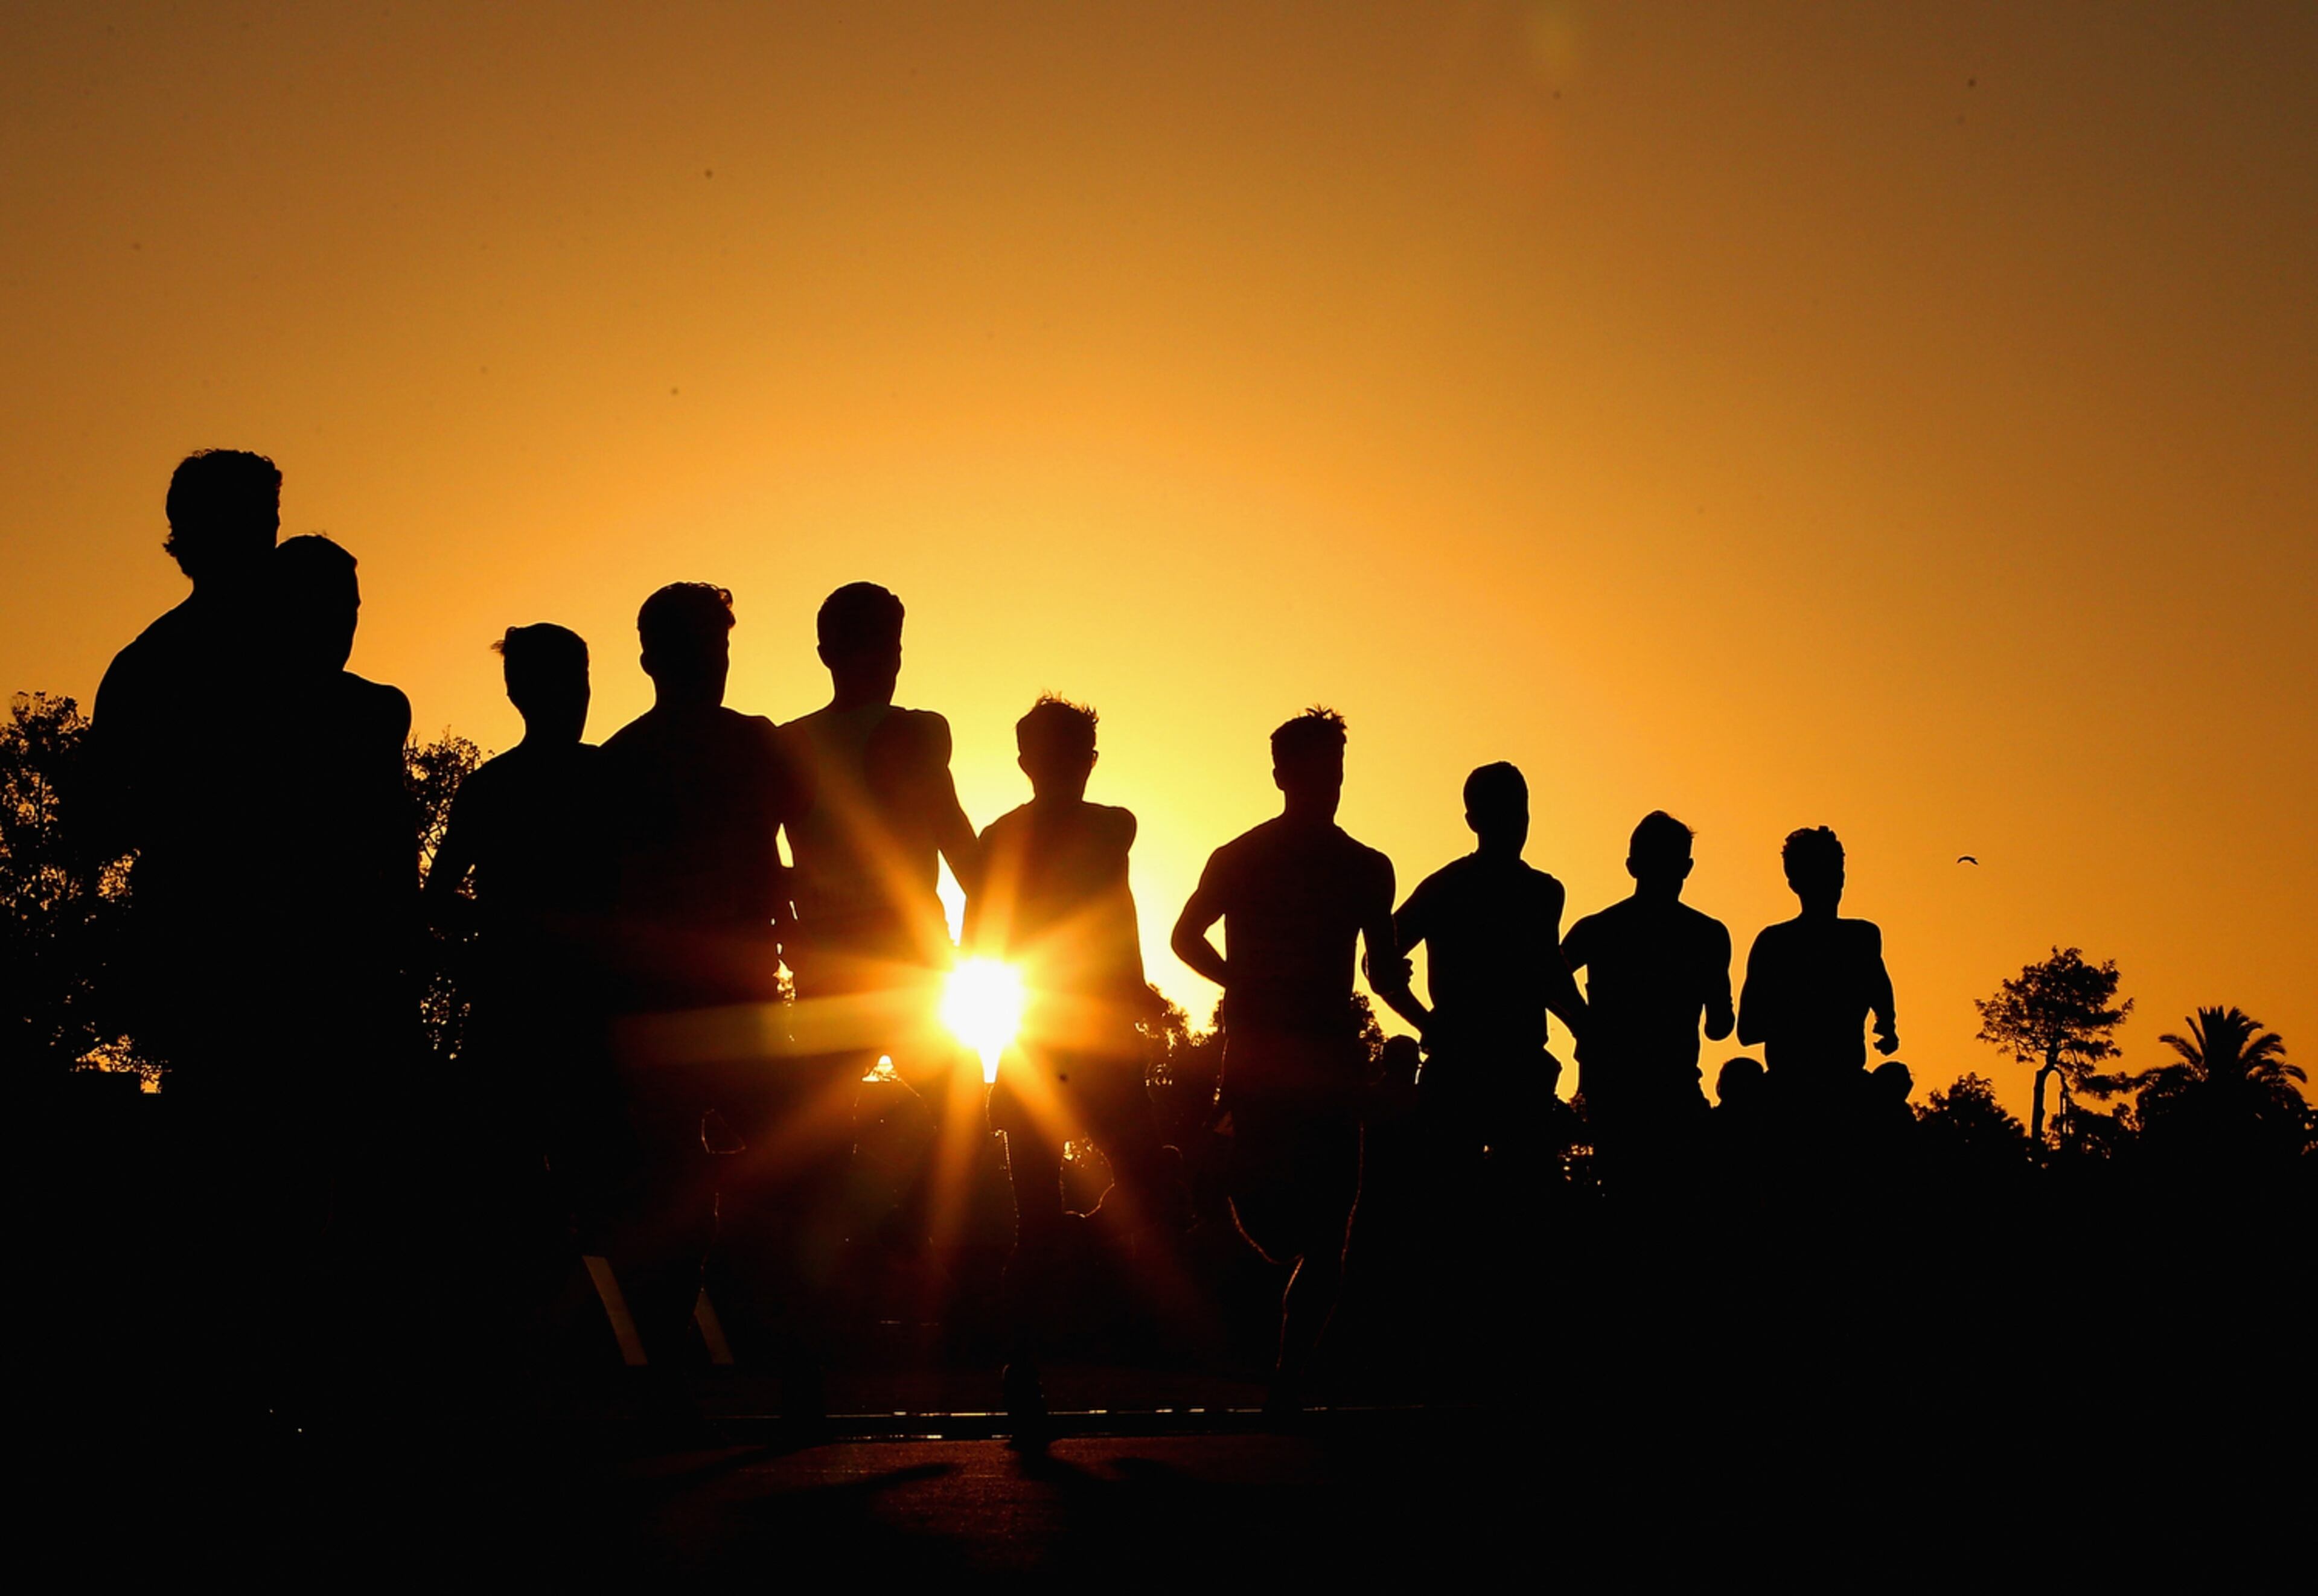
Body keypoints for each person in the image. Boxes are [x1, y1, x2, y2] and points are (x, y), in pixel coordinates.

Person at [598, 583, 821, 1411]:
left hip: (711, 1000)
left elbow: (801, 853)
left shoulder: (634, 757)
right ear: (656, 658)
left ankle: (722, 1375)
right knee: (704, 1191)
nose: (715, 668)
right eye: (705, 651)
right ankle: (740, 1375)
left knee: (725, 1188)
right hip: (690, 1004)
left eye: (720, 651)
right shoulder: (659, 758)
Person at [1172, 707, 1422, 1415]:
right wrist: (1240, 984)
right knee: (1277, 1226)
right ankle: (1216, 1177)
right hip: (1258, 1058)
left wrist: (1429, 1021)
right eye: (1315, 771)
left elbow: (1382, 968)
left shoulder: (1367, 867)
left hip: (1329, 1064)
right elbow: (1184, 936)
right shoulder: (1241, 856)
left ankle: (1286, 1381)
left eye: (1336, 772)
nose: (1328, 785)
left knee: (1325, 1237)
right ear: (1282, 775)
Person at [969, 695, 1180, 1433]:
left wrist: (1136, 991)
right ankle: (1029, 1360)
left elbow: (987, 944)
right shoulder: (1098, 827)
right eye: (1063, 756)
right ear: (1031, 762)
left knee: (1125, 1186)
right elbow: (990, 944)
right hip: (1055, 1037)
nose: (1071, 769)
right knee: (1070, 1206)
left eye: (1077, 756)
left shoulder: (1077, 829)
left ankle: (1046, 1349)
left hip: (1066, 1036)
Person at [779, 582, 981, 1257]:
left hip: (834, 957)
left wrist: (790, 923)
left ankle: (828, 1310)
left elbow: (761, 864)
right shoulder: (916, 731)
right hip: (906, 955)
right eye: (887, 645)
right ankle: (961, 1290)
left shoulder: (788, 745)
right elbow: (960, 846)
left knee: (825, 1142)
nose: (891, 661)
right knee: (960, 1127)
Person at [424, 625, 618, 1274]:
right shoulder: (603, 777)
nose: (582, 692)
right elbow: (438, 898)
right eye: (571, 677)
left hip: (539, 1009)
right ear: (524, 691)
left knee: (538, 1183)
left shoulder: (495, 788)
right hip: (566, 1013)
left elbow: (437, 898)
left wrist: (491, 939)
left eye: (583, 675)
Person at [90, 449, 283, 1092]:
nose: (265, 536)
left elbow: (101, 821)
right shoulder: (153, 667)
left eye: (267, 519)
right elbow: (104, 818)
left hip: (245, 943)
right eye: (252, 519)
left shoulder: (146, 664)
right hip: (220, 943)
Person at [1394, 762, 1588, 1189]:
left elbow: (1547, 972)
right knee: (1451, 1199)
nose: (1517, 822)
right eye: (1506, 810)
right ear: (1474, 821)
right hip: (1466, 1068)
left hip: (1514, 1069)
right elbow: (1378, 962)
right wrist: (1426, 1022)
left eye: (1520, 810)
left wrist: (1584, 1027)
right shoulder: (1449, 888)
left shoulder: (1542, 892)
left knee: (1521, 1200)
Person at [1560, 811, 1735, 1198]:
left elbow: (1546, 978)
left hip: (1613, 1095)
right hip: (1673, 1091)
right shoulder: (1707, 935)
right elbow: (1720, 1026)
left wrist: (1583, 1022)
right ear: (1687, 867)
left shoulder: (1599, 929)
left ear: (1631, 865)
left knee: (1624, 1200)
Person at [1735, 826, 1899, 1121]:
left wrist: (1887, 1022)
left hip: (1829, 1093)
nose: (1834, 881)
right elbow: (1747, 1030)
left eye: (1835, 871)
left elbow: (1880, 989)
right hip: (1798, 1095)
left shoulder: (1860, 938)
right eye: (1823, 873)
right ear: (1795, 882)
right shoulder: (1778, 943)